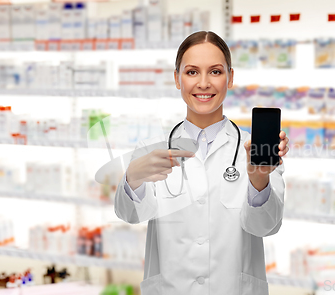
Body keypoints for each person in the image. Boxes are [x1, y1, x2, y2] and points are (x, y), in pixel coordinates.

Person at [114, 31, 289, 295]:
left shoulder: (255, 150)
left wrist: (259, 178)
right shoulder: (153, 149)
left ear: (230, 77)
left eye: (215, 72)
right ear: (177, 78)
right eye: (192, 72)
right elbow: (131, 214)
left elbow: (266, 226)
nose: (204, 83)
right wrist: (132, 177)